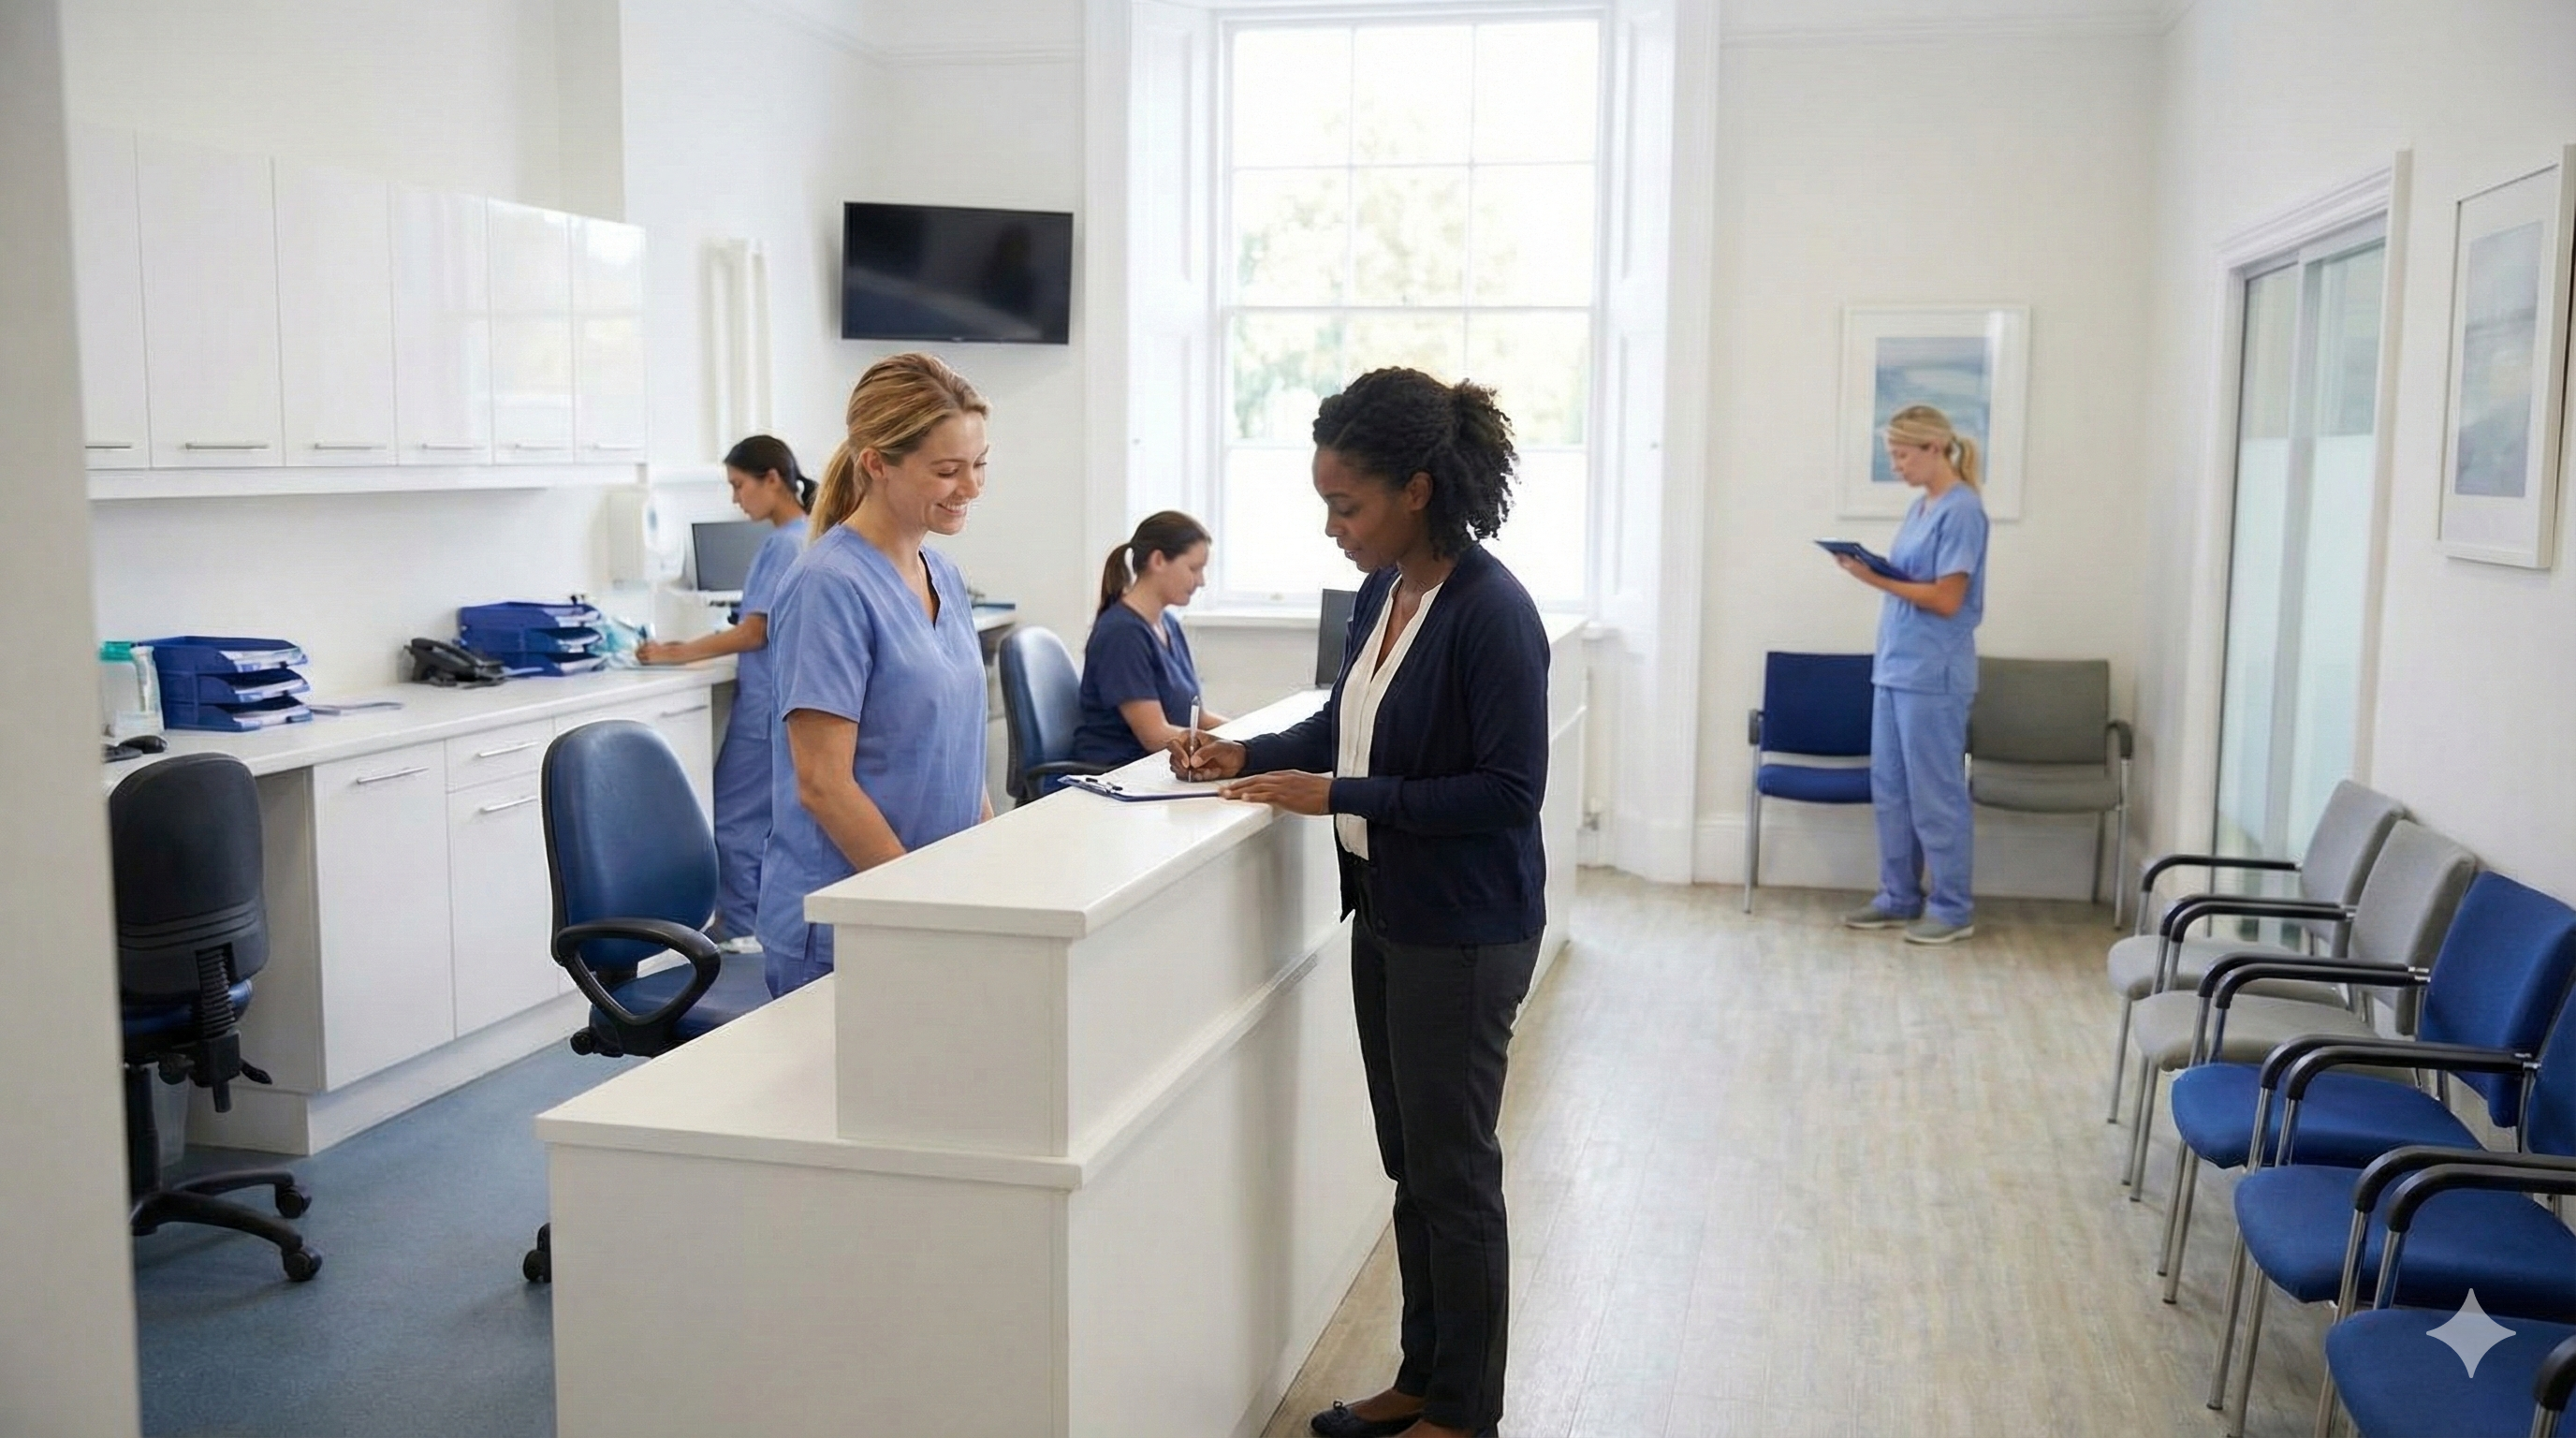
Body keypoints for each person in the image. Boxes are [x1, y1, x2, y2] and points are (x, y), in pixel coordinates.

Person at [1172, 368, 1548, 1438]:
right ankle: (1421, 1380)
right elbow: (1348, 721)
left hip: (1466, 929)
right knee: (1412, 1164)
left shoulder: (1490, 612)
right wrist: (1245, 750)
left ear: (1419, 490)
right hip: (1387, 912)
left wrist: (1332, 794)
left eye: (1349, 506)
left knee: (1456, 1174)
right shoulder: (1388, 593)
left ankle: (1463, 1413)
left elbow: (1507, 792)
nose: (1333, 527)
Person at [754, 355, 993, 995]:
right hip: (850, 922)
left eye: (979, 465)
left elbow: (959, 757)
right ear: (876, 463)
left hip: (928, 908)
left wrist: (998, 870)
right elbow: (822, 784)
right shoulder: (827, 586)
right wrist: (918, 910)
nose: (970, 488)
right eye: (947, 471)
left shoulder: (940, 574)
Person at [636, 435, 811, 944]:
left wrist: (675, 652)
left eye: (738, 485)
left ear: (771, 479)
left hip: (766, 708)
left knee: (734, 822)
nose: (735, 499)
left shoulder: (782, 542)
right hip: (785, 699)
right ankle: (758, 927)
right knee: (768, 820)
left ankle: (739, 935)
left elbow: (755, 631)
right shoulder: (810, 534)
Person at [1832, 403, 1990, 945]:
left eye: (1901, 454)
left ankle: (1953, 908)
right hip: (1896, 667)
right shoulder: (1923, 507)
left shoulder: (1963, 509)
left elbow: (1948, 598)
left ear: (1932, 449)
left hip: (1934, 674)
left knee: (1936, 794)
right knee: (1893, 790)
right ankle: (1897, 896)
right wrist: (1876, 568)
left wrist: (1871, 579)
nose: (1896, 465)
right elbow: (1917, 581)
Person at [1070, 510, 1229, 770]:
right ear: (1158, 560)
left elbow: (1198, 720)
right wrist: (1227, 745)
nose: (1201, 581)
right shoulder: (1122, 633)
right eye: (1194, 569)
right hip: (1121, 772)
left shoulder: (1168, 624)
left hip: (1156, 768)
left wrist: (1253, 737)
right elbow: (1155, 734)